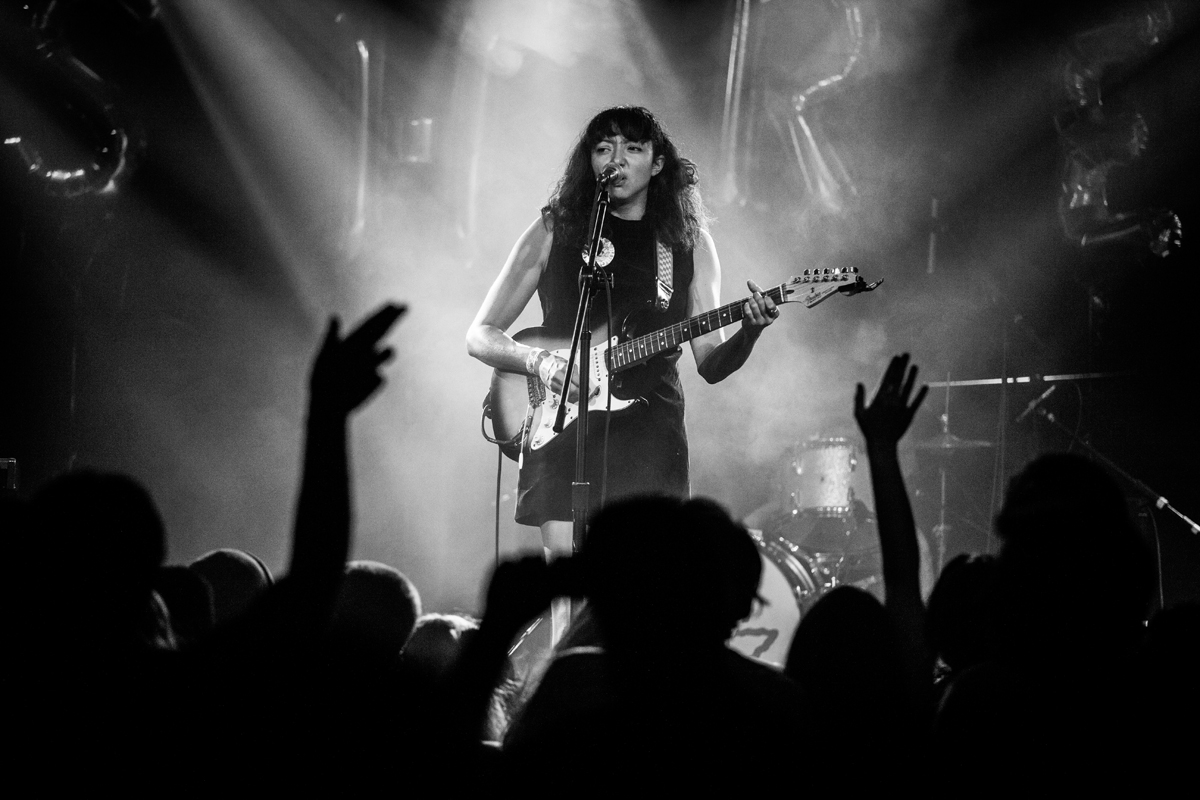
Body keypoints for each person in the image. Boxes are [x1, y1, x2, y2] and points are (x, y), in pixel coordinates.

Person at [466, 106, 779, 640]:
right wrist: (540, 361)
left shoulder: (686, 243)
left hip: (649, 432)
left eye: (633, 148)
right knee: (569, 595)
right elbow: (481, 334)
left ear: (658, 164)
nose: (616, 159)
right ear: (589, 161)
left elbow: (709, 362)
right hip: (561, 424)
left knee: (652, 591)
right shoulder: (556, 230)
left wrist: (748, 332)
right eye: (603, 147)